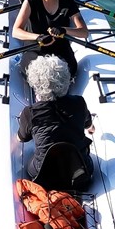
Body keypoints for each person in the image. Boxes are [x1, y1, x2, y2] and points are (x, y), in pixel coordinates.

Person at [17, 54, 95, 191]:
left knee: (32, 153)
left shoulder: (30, 112)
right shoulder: (79, 102)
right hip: (80, 174)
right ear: (66, 79)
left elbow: (22, 138)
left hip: (43, 177)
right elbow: (88, 125)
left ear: (35, 83)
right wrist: (91, 128)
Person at [11, 0, 88, 80]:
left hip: (61, 50)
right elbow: (16, 31)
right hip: (35, 49)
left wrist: (64, 30)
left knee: (65, 73)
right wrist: (38, 37)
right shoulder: (31, 1)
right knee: (42, 75)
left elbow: (84, 32)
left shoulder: (68, 3)